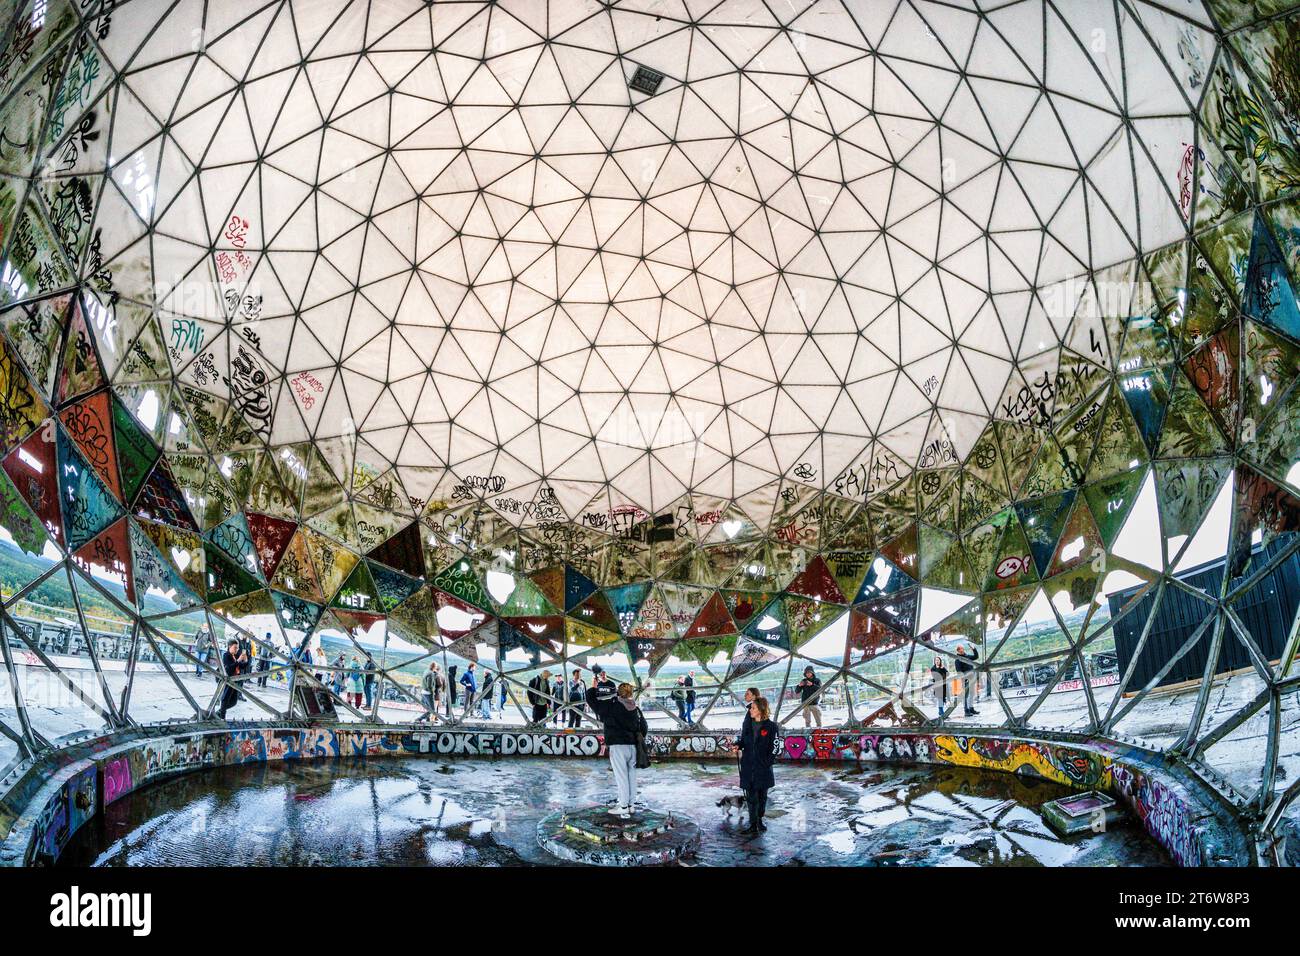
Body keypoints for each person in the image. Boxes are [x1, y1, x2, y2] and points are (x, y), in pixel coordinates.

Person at [585, 681, 649, 818]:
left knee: (621, 777)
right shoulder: (635, 708)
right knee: (631, 776)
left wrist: (594, 687)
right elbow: (644, 727)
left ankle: (623, 806)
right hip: (633, 746)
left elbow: (592, 702)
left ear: (618, 692)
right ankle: (631, 805)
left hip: (618, 746)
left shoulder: (612, 706)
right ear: (631, 693)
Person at [736, 696, 778, 834]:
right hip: (748, 766)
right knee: (751, 797)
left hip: (763, 768)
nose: (750, 710)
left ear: (761, 709)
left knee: (762, 797)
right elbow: (743, 741)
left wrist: (767, 763)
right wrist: (737, 746)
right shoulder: (748, 725)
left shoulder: (771, 727)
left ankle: (759, 819)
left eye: (753, 708)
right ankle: (753, 824)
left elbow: (775, 747)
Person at [217, 639, 247, 719]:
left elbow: (241, 666)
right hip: (228, 679)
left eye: (237, 648)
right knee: (225, 699)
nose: (237, 649)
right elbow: (230, 668)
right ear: (230, 646)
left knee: (234, 702)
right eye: (235, 648)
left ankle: (220, 712)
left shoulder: (235, 656)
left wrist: (245, 660)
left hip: (235, 680)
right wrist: (238, 660)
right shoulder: (226, 655)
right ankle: (222, 716)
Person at [955, 643, 980, 716]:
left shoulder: (967, 656)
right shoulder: (957, 659)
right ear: (958, 650)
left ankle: (971, 708)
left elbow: (976, 656)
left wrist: (973, 648)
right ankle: (966, 710)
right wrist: (964, 678)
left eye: (962, 648)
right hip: (965, 679)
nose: (962, 650)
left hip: (972, 677)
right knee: (965, 695)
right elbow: (959, 671)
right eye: (960, 649)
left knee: (972, 694)